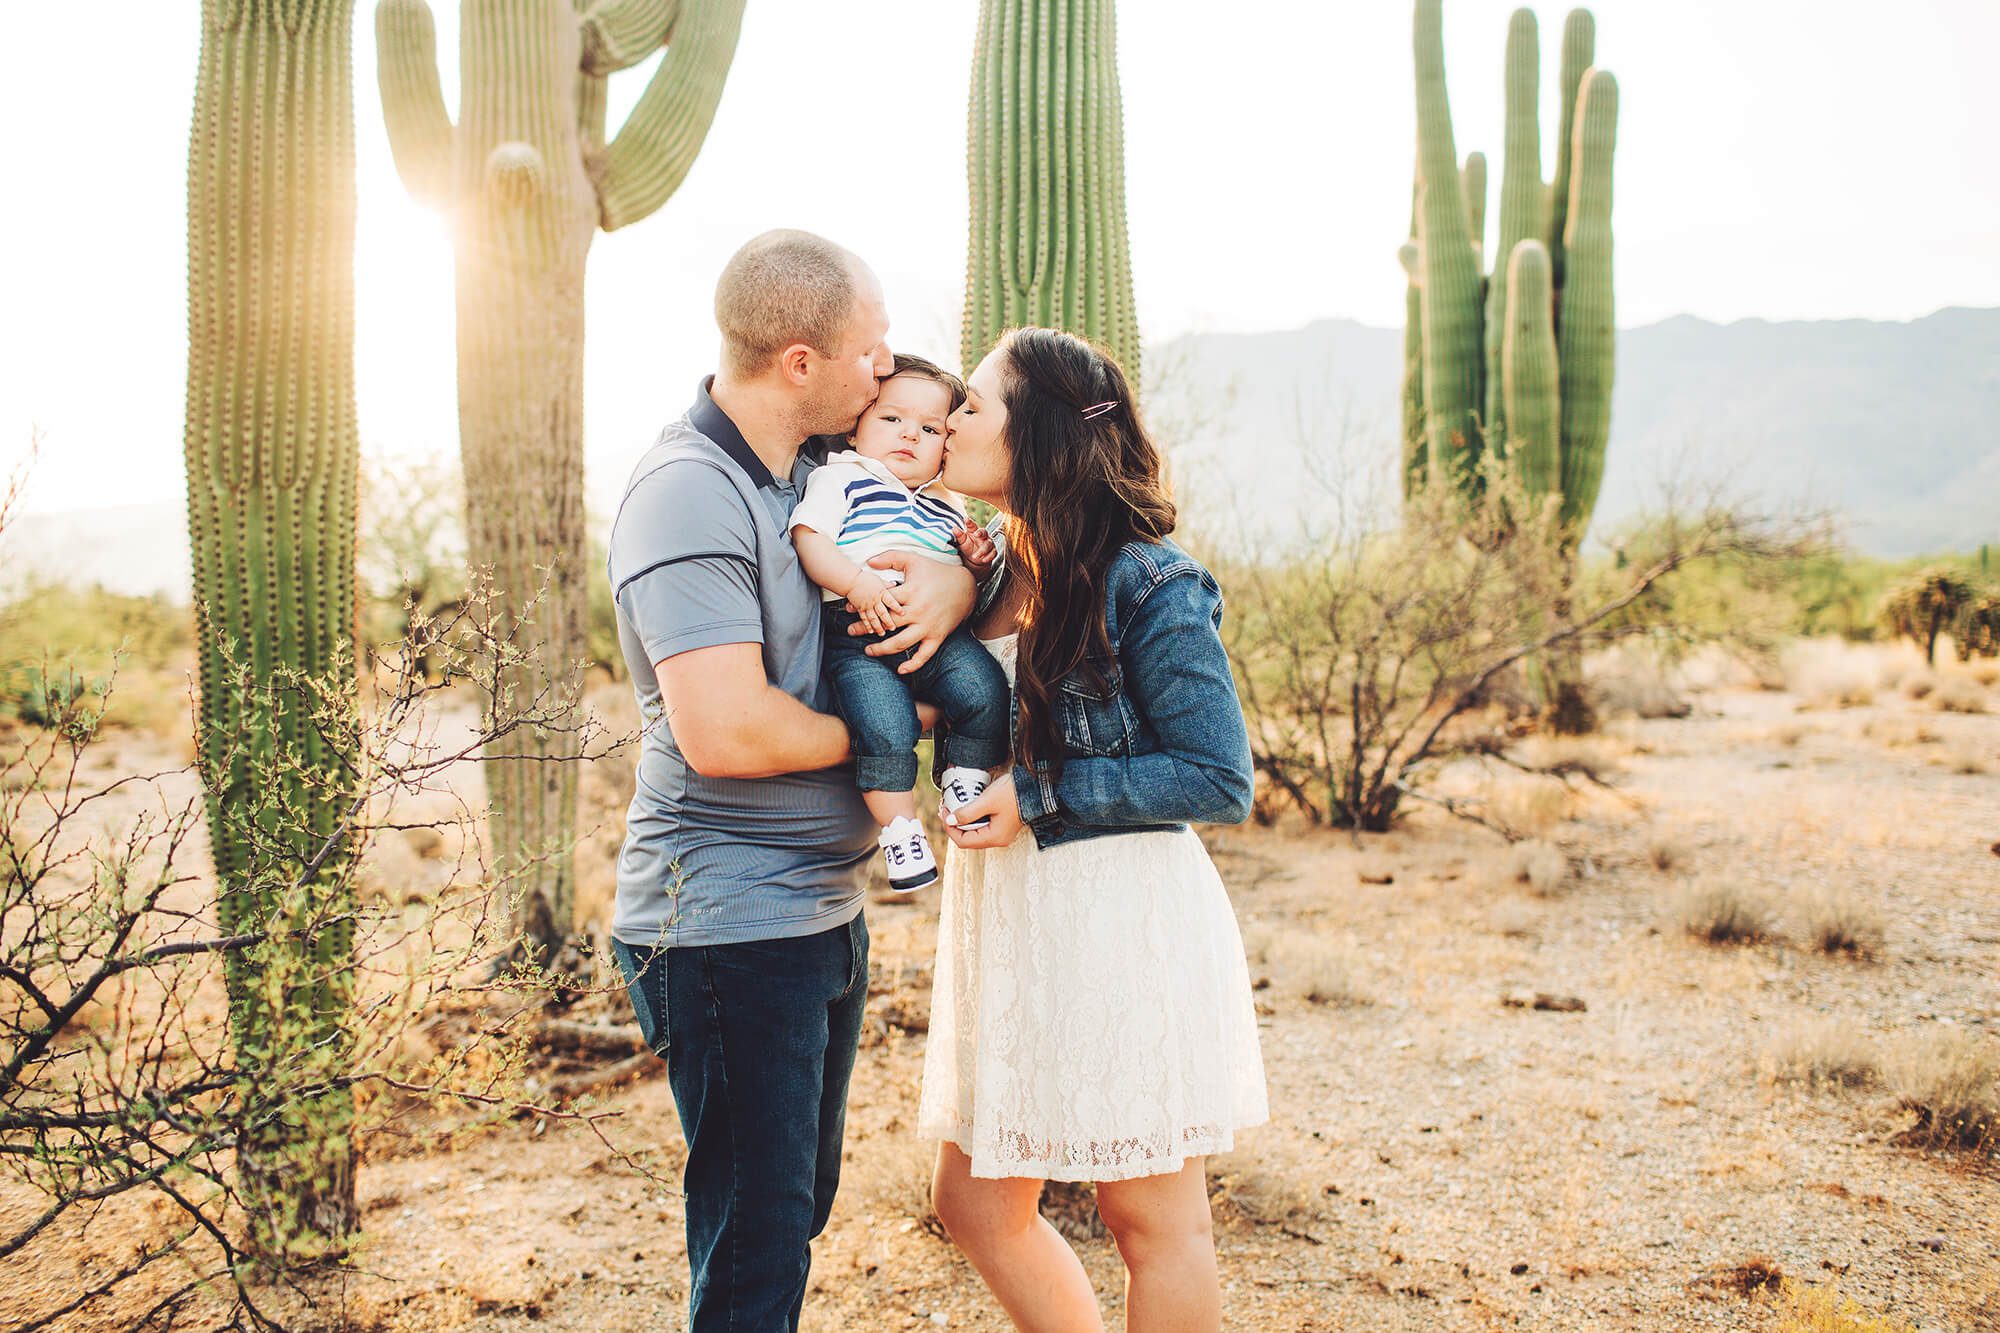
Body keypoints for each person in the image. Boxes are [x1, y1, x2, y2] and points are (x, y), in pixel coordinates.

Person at [603, 230, 976, 1332]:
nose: (890, 372)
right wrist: (896, 731)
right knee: (757, 1237)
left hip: (815, 906)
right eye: (872, 351)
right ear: (802, 362)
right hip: (723, 919)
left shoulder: (814, 475)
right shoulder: (687, 492)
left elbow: (930, 549)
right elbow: (723, 730)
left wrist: (950, 582)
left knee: (793, 1208)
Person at [916, 326, 1269, 1330]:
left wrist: (1039, 794)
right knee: (976, 1203)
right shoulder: (986, 565)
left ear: (1039, 434)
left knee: (1149, 1221)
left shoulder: (1148, 580)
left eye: (974, 405)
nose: (950, 420)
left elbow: (1215, 774)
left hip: (1119, 915)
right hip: (1015, 919)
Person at [789, 353, 1011, 892]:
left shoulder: (947, 504)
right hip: (859, 631)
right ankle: (900, 830)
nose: (909, 434)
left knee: (985, 689)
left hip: (940, 637)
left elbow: (966, 580)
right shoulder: (840, 478)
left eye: (930, 428)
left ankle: (963, 777)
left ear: (946, 444)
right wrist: (854, 583)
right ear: (857, 425)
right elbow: (808, 538)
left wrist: (976, 564)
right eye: (892, 419)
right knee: (884, 727)